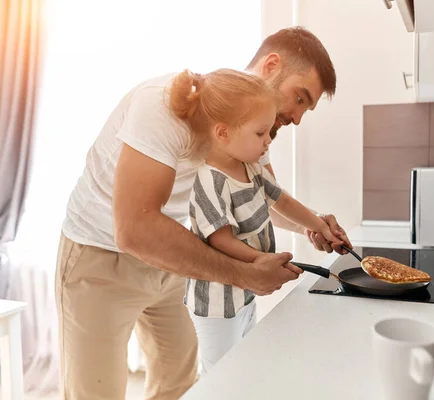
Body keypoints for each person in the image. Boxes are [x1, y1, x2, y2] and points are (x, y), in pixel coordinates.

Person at [55, 26, 351, 400]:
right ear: (271, 66)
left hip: (168, 256)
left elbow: (260, 202)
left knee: (180, 385)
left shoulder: (255, 129)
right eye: (299, 97)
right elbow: (134, 228)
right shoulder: (160, 107)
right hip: (99, 257)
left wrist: (316, 225)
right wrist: (245, 274)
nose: (295, 118)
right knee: (95, 394)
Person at [175, 68, 347, 375]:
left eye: (268, 133)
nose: (268, 141)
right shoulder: (210, 181)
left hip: (244, 290)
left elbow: (283, 201)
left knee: (242, 362)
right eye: (260, 133)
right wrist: (263, 261)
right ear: (223, 133)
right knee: (219, 373)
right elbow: (221, 240)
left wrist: (319, 225)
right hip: (216, 303)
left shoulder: (251, 168)